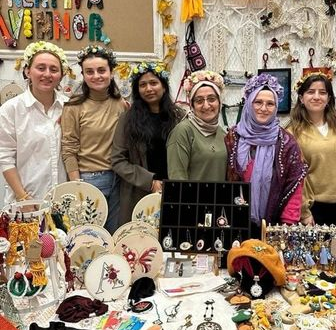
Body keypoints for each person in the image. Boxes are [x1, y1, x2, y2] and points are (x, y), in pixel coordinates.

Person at [226, 73, 307, 227]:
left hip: (273, 225)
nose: (263, 108)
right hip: (233, 222)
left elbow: (294, 186)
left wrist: (287, 225)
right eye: (258, 102)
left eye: (270, 104)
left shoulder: (287, 143)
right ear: (249, 103)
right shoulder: (232, 138)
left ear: (276, 108)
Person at [61, 45, 127, 234]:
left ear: (111, 73)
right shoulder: (74, 106)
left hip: (118, 179)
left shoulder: (120, 103)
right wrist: (77, 186)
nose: (96, 76)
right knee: (89, 237)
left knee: (113, 236)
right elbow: (68, 149)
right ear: (83, 75)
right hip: (89, 179)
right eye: (89, 72)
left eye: (101, 70)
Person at [111, 61, 184, 225]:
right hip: (138, 192)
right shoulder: (128, 119)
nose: (148, 88)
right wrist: (150, 182)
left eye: (153, 83)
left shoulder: (179, 117)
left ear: (164, 86)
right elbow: (118, 160)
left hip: (174, 190)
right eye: (142, 85)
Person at [0, 41, 68, 205]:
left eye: (54, 69)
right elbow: (5, 157)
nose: (47, 74)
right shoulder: (11, 109)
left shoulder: (69, 107)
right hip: (26, 200)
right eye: (41, 68)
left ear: (61, 75)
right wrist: (23, 197)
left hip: (63, 201)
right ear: (28, 71)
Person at [288, 72, 336, 225]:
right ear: (301, 98)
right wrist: (304, 212)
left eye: (322, 92)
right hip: (315, 206)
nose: (317, 97)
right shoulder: (292, 133)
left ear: (329, 98)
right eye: (311, 92)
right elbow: (295, 176)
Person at [167, 70, 227, 181]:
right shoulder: (183, 131)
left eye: (211, 99)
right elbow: (177, 178)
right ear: (192, 105)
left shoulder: (223, 134)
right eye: (199, 101)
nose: (206, 105)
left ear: (219, 102)